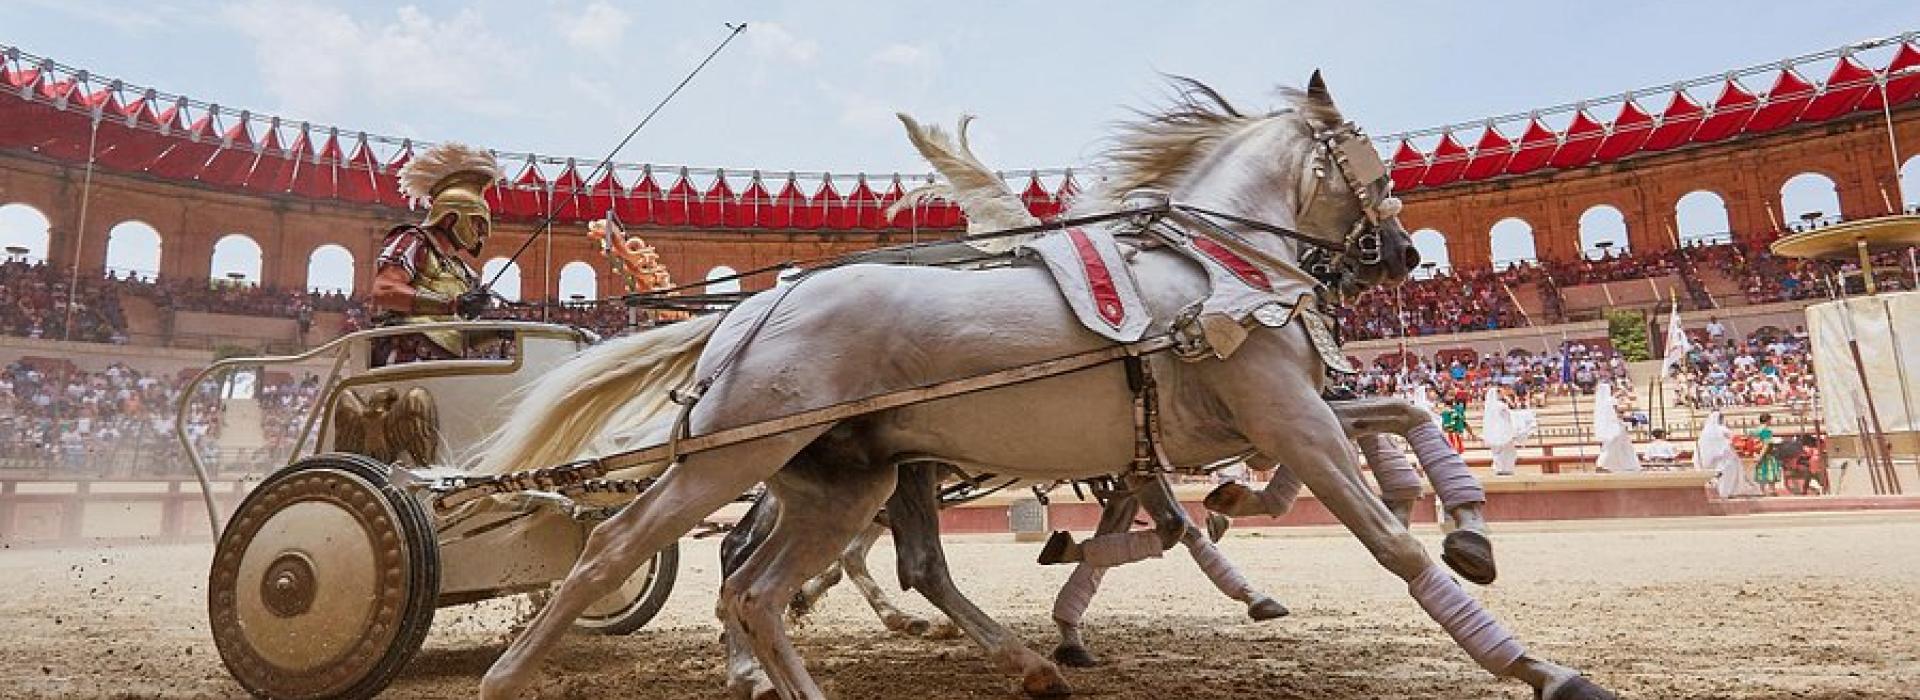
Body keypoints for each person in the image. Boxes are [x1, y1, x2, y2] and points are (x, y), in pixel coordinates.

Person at [368, 142, 503, 364]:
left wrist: (502, 329)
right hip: (406, 355)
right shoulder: (413, 240)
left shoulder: (463, 271)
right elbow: (384, 290)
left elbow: (466, 335)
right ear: (450, 218)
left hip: (448, 363)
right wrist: (451, 304)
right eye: (477, 224)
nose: (481, 235)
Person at [1697, 411, 1756, 497]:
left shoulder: (1706, 431)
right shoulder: (1723, 429)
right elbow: (1733, 440)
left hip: (1714, 457)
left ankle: (1720, 491)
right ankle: (1728, 491)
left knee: (1720, 474)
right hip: (1727, 455)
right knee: (1729, 474)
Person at [1592, 381, 1642, 473]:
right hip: (1615, 426)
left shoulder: (1602, 403)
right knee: (1617, 445)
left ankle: (1608, 464)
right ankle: (1606, 464)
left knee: (1615, 446)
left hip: (1612, 426)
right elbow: (1618, 411)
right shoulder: (1610, 401)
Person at [1751, 414, 1783, 496]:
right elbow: (1766, 444)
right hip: (1767, 454)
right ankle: (1771, 490)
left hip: (1757, 452)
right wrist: (1761, 455)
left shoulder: (1755, 430)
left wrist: (1757, 455)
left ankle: (1761, 490)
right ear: (1768, 420)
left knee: (1761, 472)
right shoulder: (1766, 430)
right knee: (1770, 471)